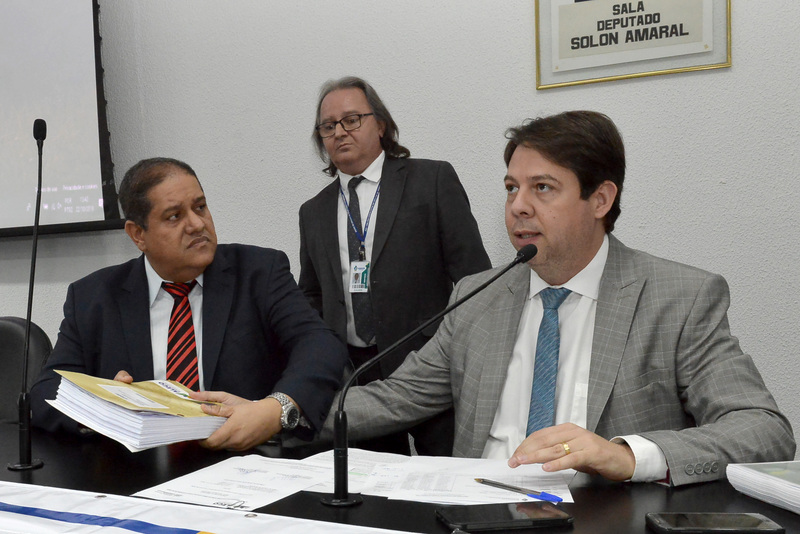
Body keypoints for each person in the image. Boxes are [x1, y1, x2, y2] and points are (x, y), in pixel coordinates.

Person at [300, 110, 795, 485]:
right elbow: (392, 397)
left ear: (600, 199)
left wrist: (627, 454)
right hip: (476, 514)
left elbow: (762, 429)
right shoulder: (477, 297)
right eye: (511, 188)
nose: (517, 206)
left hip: (601, 517)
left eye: (542, 188)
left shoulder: (679, 298)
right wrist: (281, 411)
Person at [31, 157, 348, 450]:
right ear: (138, 234)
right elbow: (47, 390)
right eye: (174, 216)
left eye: (200, 207)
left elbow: (320, 344)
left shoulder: (259, 273)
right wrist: (100, 409)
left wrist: (276, 408)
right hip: (137, 473)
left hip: (242, 462)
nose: (197, 224)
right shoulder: (94, 297)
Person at [297, 76, 491, 455]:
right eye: (328, 126)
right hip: (356, 375)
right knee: (379, 484)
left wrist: (463, 356)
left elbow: (474, 279)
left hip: (429, 365)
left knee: (446, 475)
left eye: (352, 120)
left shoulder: (431, 180)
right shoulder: (313, 211)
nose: (340, 132)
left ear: (381, 125)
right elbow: (312, 297)